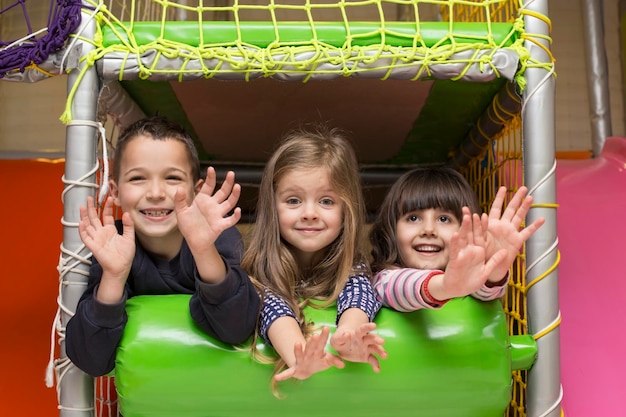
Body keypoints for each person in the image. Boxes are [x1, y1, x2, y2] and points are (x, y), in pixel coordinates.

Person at [65, 116, 260, 377]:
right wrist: (113, 277)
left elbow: (237, 328)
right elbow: (91, 360)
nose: (156, 192)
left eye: (172, 178)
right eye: (137, 179)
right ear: (115, 192)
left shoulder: (216, 238)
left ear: (196, 190)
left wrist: (204, 251)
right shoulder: (113, 246)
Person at [242, 124, 387, 388]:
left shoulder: (351, 262)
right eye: (294, 201)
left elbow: (360, 291)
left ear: (347, 210)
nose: (310, 213)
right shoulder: (264, 264)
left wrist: (348, 334)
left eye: (326, 201)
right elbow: (272, 306)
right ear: (272, 206)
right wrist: (298, 356)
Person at [370, 166, 545, 311]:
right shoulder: (383, 281)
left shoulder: (467, 278)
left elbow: (483, 291)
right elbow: (400, 287)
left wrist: (493, 271)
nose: (429, 230)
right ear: (392, 230)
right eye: (413, 218)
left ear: (465, 229)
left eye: (444, 219)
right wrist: (444, 286)